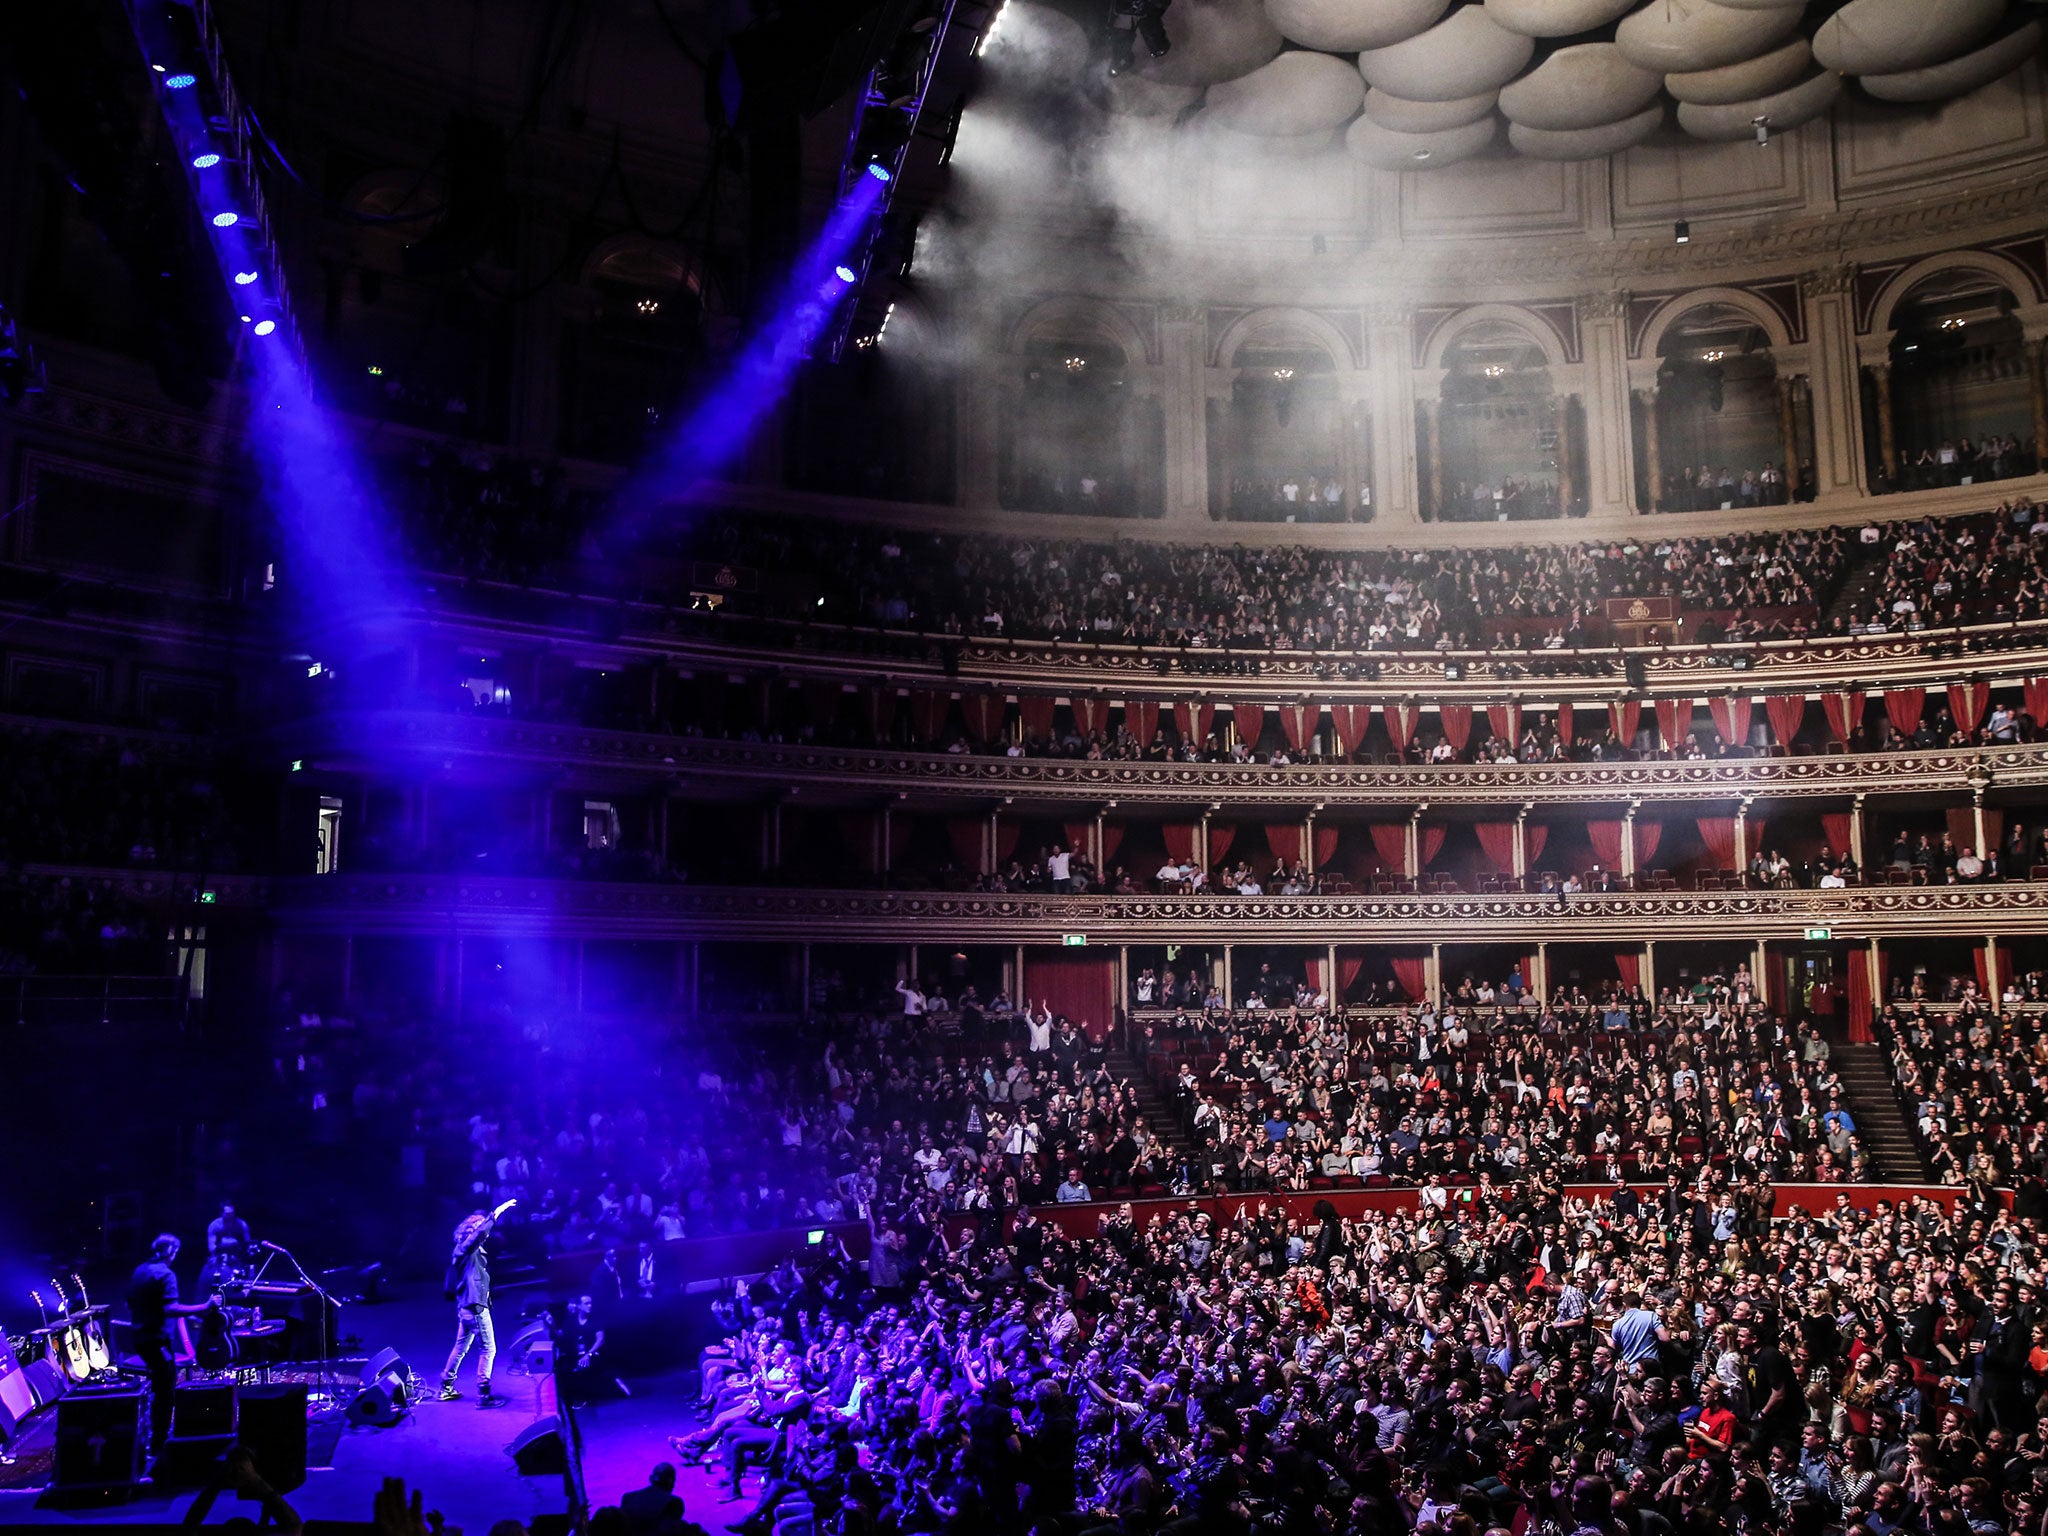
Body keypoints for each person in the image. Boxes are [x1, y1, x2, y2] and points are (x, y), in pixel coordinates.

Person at [127, 1233, 220, 1460]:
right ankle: (159, 1443)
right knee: (165, 1391)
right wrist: (205, 1307)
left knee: (160, 1384)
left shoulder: (139, 1270)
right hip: (156, 1340)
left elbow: (129, 1302)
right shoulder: (166, 1275)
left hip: (139, 1338)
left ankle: (151, 1434)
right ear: (172, 1252)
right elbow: (171, 1309)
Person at [440, 1198, 514, 1405]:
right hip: (474, 1307)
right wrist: (495, 1214)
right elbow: (479, 1235)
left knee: (460, 1347)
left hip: (466, 1307)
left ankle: (445, 1386)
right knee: (489, 1349)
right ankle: (484, 1395)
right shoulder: (465, 1249)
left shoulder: (466, 1251)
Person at [619, 1461, 685, 1536]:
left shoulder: (628, 1498)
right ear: (671, 1481)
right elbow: (669, 1531)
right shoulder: (673, 1502)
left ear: (651, 1478)